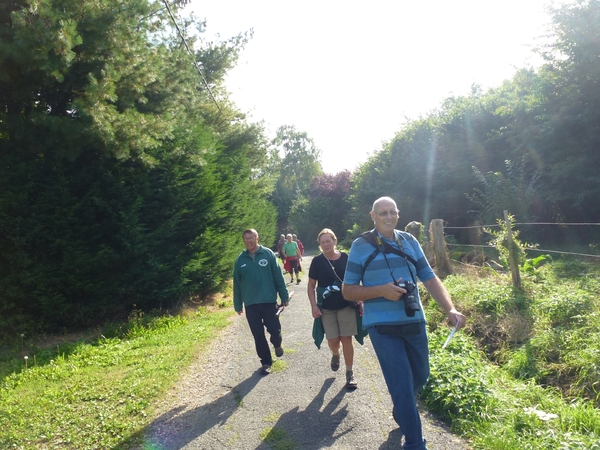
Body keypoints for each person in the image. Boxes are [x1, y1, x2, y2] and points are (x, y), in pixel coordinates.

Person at [342, 197, 466, 450]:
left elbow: (430, 279)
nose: (389, 217)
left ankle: (402, 407)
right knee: (401, 382)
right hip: (381, 326)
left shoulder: (409, 241)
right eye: (383, 213)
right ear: (373, 216)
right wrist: (380, 291)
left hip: (413, 321)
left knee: (421, 375)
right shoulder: (360, 246)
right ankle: (415, 442)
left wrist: (450, 309)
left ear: (398, 214)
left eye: (393, 212)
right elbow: (348, 291)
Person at [234, 229, 290, 375]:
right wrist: (238, 304)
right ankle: (266, 362)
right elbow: (237, 284)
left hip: (269, 300)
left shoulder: (268, 254)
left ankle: (277, 344)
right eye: (246, 239)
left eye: (251, 238)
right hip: (251, 304)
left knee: (274, 329)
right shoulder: (240, 260)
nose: (249, 241)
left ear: (257, 238)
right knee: (258, 334)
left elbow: (278, 276)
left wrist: (284, 296)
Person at [307, 228, 358, 389]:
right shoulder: (317, 261)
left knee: (346, 339)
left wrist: (359, 297)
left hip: (346, 305)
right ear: (320, 245)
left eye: (328, 241)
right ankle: (336, 354)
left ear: (335, 241)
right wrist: (313, 306)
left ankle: (349, 373)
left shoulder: (346, 258)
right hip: (326, 308)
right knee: (333, 341)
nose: (326, 244)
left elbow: (354, 279)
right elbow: (311, 285)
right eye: (322, 242)